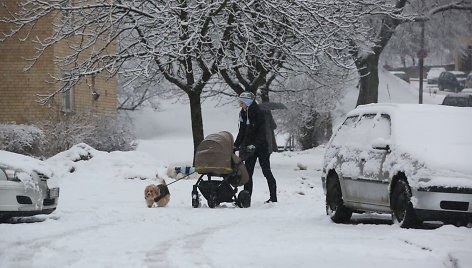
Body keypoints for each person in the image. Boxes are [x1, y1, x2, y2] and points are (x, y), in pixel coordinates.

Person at [234, 91, 277, 204]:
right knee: (248, 173)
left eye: (242, 103)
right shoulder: (243, 113)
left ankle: (273, 197)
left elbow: (262, 133)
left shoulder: (259, 113)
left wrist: (255, 145)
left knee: (266, 171)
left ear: (247, 102)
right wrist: (235, 145)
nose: (240, 105)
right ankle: (246, 199)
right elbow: (242, 131)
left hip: (262, 147)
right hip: (249, 147)